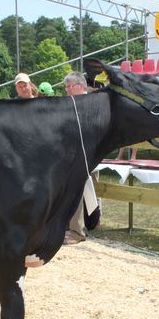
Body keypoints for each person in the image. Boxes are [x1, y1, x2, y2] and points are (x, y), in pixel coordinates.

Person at [63, 71, 93, 245]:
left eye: (69, 86)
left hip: (87, 154)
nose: (67, 90)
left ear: (80, 86)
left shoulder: (89, 103)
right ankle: (78, 227)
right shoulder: (73, 103)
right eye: (66, 87)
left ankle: (78, 230)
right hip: (75, 154)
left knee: (82, 191)